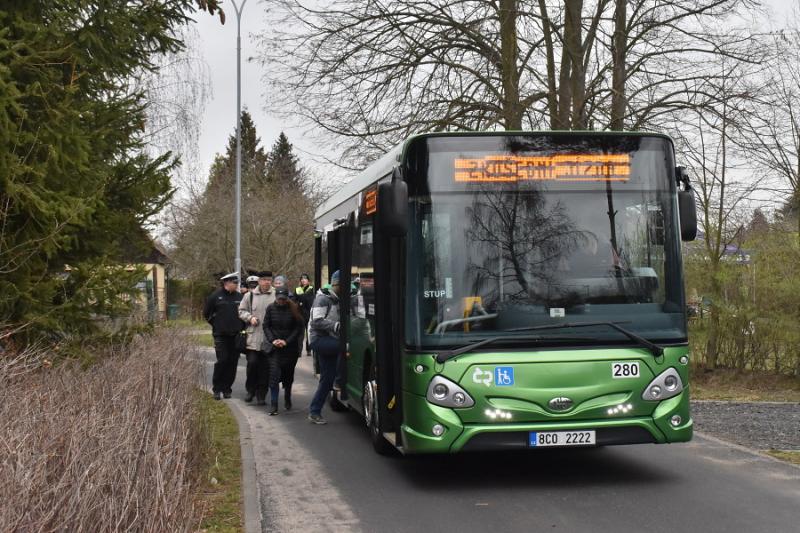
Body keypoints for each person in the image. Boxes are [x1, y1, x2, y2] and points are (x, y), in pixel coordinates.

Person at [307, 270, 342, 425]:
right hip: (319, 340)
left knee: (326, 380)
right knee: (345, 347)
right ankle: (340, 380)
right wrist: (336, 326)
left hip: (330, 340)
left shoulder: (340, 298)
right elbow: (316, 321)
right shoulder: (322, 299)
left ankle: (314, 412)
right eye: (342, 285)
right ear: (335, 284)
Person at [263, 287, 303, 415]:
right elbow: (266, 325)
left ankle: (287, 396)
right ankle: (274, 404)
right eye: (279, 299)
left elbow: (298, 328)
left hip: (289, 349)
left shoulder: (294, 309)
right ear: (276, 297)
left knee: (288, 375)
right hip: (275, 348)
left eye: (283, 299)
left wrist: (287, 341)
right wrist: (272, 340)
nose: (281, 301)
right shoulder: (270, 308)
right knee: (274, 376)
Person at [203, 272, 244, 400]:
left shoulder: (240, 297)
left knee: (233, 362)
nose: (237, 285)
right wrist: (216, 324)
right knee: (222, 361)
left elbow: (244, 313)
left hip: (236, 335)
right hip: (221, 335)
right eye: (234, 282)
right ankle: (217, 388)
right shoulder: (215, 296)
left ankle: (227, 389)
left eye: (237, 283)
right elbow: (206, 313)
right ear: (227, 283)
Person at [238, 271, 275, 404]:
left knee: (265, 368)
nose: (267, 282)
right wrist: (250, 318)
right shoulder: (250, 295)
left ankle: (261, 395)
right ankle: (250, 390)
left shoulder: (276, 295)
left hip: (269, 338)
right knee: (252, 364)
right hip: (253, 337)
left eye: (269, 280)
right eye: (264, 279)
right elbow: (241, 311)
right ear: (259, 281)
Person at [294, 273, 315, 354]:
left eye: (305, 279)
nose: (303, 280)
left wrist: (302, 299)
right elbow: (294, 300)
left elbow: (310, 300)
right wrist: (300, 302)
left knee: (308, 332)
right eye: (302, 279)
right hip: (300, 314)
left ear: (308, 281)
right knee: (300, 333)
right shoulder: (297, 289)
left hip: (308, 313)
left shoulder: (311, 289)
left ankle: (308, 350)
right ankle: (299, 351)